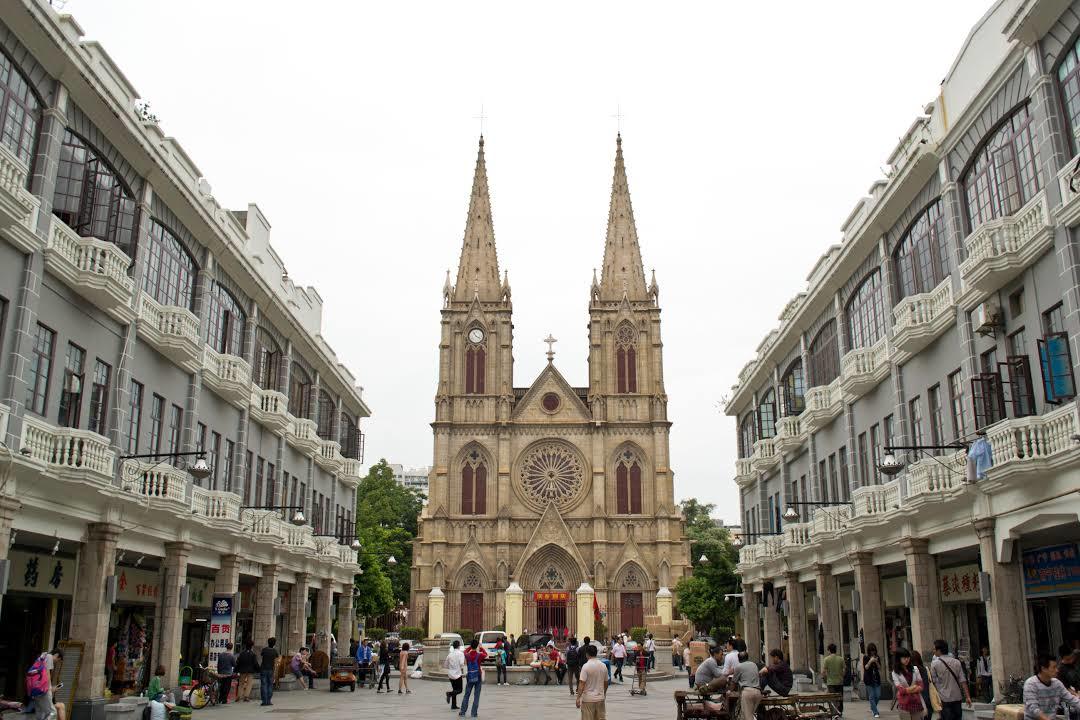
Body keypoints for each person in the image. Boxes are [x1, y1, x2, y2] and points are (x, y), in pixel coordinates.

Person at [1025, 654, 1080, 720]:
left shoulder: (1057, 684)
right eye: (1054, 667)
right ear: (1044, 669)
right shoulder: (1030, 684)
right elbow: (1034, 709)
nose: (1057, 670)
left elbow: (1072, 700)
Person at [930, 639, 971, 720]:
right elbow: (963, 681)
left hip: (944, 698)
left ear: (939, 650)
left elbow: (933, 682)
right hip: (957, 697)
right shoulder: (957, 662)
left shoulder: (934, 664)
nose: (933, 651)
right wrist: (968, 696)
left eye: (934, 649)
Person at [27, 648, 63, 720]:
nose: (56, 662)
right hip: (43, 689)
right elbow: (47, 673)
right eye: (58, 660)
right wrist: (49, 688)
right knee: (52, 713)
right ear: (56, 655)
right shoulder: (49, 657)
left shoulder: (42, 657)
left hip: (36, 689)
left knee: (40, 713)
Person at [576, 643, 607, 720]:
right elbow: (606, 682)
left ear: (587, 654)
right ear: (596, 653)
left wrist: (578, 698)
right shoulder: (603, 665)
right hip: (600, 699)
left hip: (588, 700)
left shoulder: (586, 666)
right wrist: (604, 693)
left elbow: (582, 683)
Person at [893, 648, 926, 720]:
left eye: (908, 657)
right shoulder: (895, 672)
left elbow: (921, 686)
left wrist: (907, 690)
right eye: (904, 657)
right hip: (904, 704)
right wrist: (914, 687)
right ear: (898, 658)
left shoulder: (915, 669)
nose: (907, 659)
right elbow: (901, 690)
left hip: (916, 702)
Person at [459, 637, 488, 718]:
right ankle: (473, 713)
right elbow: (486, 655)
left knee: (467, 694)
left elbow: (465, 651)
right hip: (478, 675)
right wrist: (481, 647)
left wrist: (470, 647)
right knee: (476, 695)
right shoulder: (479, 655)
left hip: (470, 676)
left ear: (471, 646)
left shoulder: (467, 655)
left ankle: (462, 711)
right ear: (477, 646)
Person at [734, 651, 764, 720]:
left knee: (748, 717)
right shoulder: (754, 664)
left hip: (747, 693)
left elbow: (733, 682)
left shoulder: (739, 667)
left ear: (738, 659)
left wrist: (730, 690)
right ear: (748, 658)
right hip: (757, 692)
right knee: (748, 715)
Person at [823, 643, 846, 714]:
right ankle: (840, 711)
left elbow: (824, 671)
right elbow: (844, 670)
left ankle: (834, 712)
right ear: (835, 650)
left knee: (832, 698)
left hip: (831, 682)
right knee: (840, 698)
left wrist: (826, 678)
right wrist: (842, 677)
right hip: (839, 682)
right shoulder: (841, 659)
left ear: (829, 650)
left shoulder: (826, 659)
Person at [863, 643, 882, 718]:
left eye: (873, 650)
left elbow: (880, 668)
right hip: (868, 679)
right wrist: (870, 661)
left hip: (876, 679)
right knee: (871, 696)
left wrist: (876, 662)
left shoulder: (877, 657)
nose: (872, 652)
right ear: (869, 651)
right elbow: (866, 668)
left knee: (878, 695)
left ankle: (872, 707)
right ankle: (875, 712)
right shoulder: (865, 657)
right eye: (871, 651)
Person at [912, 651, 933, 720]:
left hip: (916, 702)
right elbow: (926, 687)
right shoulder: (924, 669)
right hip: (926, 701)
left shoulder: (911, 671)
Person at [446, 639, 465, 710]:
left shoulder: (450, 654)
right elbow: (461, 664)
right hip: (457, 674)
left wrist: (451, 667)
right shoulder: (460, 654)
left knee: (455, 689)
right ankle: (449, 694)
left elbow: (446, 665)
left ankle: (453, 705)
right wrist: (462, 670)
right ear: (459, 646)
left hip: (451, 674)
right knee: (459, 690)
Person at [259, 637, 279, 706]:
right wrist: (275, 671)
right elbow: (276, 662)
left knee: (264, 684)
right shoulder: (275, 651)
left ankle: (264, 701)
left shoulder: (264, 650)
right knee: (270, 685)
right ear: (274, 644)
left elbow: (262, 657)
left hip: (263, 668)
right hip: (271, 669)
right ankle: (269, 701)